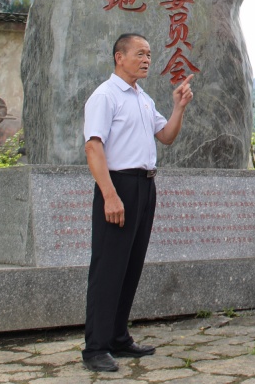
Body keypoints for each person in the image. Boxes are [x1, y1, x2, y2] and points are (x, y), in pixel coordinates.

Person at [81, 33, 194, 374]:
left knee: (131, 265)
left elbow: (167, 136)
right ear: (120, 57)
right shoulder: (105, 96)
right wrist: (109, 193)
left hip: (146, 186)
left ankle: (117, 337)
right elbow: (93, 147)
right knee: (108, 268)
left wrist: (179, 107)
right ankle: (95, 347)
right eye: (140, 53)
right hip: (118, 186)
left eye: (149, 54)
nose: (147, 59)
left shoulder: (142, 98)